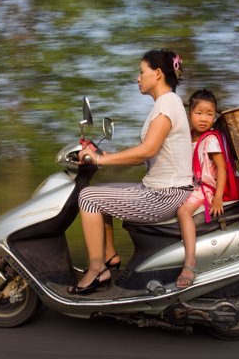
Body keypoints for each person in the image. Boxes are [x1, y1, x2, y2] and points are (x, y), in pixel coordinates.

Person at [70, 49, 193, 295]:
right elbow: (147, 154)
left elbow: (147, 150)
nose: (138, 78)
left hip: (164, 195)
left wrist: (99, 160)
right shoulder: (165, 104)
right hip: (160, 189)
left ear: (157, 74)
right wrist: (102, 156)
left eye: (141, 72)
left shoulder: (167, 103)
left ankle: (97, 271)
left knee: (88, 198)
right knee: (98, 193)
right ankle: (110, 256)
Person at [176, 89, 227, 289]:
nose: (204, 119)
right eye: (199, 113)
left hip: (204, 188)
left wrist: (218, 198)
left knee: (183, 211)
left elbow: (221, 169)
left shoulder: (211, 139)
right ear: (189, 115)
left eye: (209, 114)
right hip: (189, 186)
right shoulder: (187, 138)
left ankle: (190, 263)